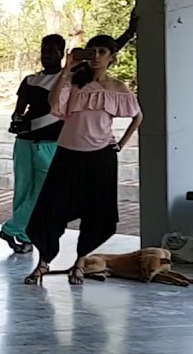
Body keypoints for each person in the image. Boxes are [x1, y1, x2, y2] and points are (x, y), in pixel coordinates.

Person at [24, 34, 143, 285]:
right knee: (49, 210)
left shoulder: (118, 89)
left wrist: (120, 144)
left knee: (96, 213)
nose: (96, 57)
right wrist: (67, 70)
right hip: (67, 155)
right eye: (92, 51)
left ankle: (80, 262)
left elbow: (137, 116)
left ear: (112, 57)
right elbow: (54, 103)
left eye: (102, 52)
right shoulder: (75, 82)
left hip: (101, 158)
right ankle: (43, 263)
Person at [0, 34, 67, 254]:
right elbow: (19, 109)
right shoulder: (30, 80)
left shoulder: (68, 79)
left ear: (62, 53)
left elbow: (104, 53)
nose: (46, 55)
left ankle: (12, 228)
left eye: (52, 51)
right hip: (25, 141)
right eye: (43, 50)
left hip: (51, 142)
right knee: (23, 190)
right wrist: (17, 119)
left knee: (43, 190)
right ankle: (24, 236)